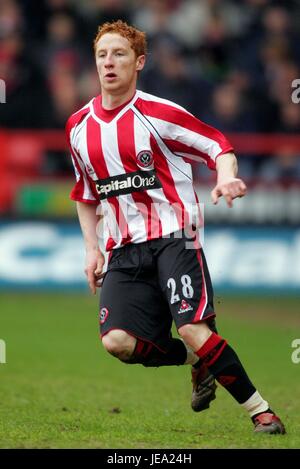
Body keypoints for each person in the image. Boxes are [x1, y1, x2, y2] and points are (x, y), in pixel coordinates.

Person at [65, 20, 285, 435]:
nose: (109, 63)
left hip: (174, 236)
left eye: (120, 54)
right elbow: (86, 193)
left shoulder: (160, 114)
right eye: (102, 55)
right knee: (118, 343)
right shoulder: (78, 126)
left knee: (191, 326)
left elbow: (217, 145)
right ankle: (197, 359)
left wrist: (224, 175)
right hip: (123, 248)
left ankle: (262, 412)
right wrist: (92, 249)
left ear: (139, 62)